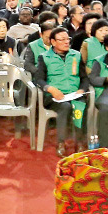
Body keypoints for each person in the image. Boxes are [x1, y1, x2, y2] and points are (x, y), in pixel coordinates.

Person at [34, 27, 88, 157]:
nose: (66, 42)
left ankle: (80, 143)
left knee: (80, 105)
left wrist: (82, 89)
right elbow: (38, 79)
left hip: (74, 94)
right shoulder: (44, 57)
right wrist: (50, 89)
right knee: (65, 106)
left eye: (67, 39)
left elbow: (85, 78)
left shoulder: (76, 55)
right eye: (62, 40)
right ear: (53, 42)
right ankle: (61, 143)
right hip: (54, 96)